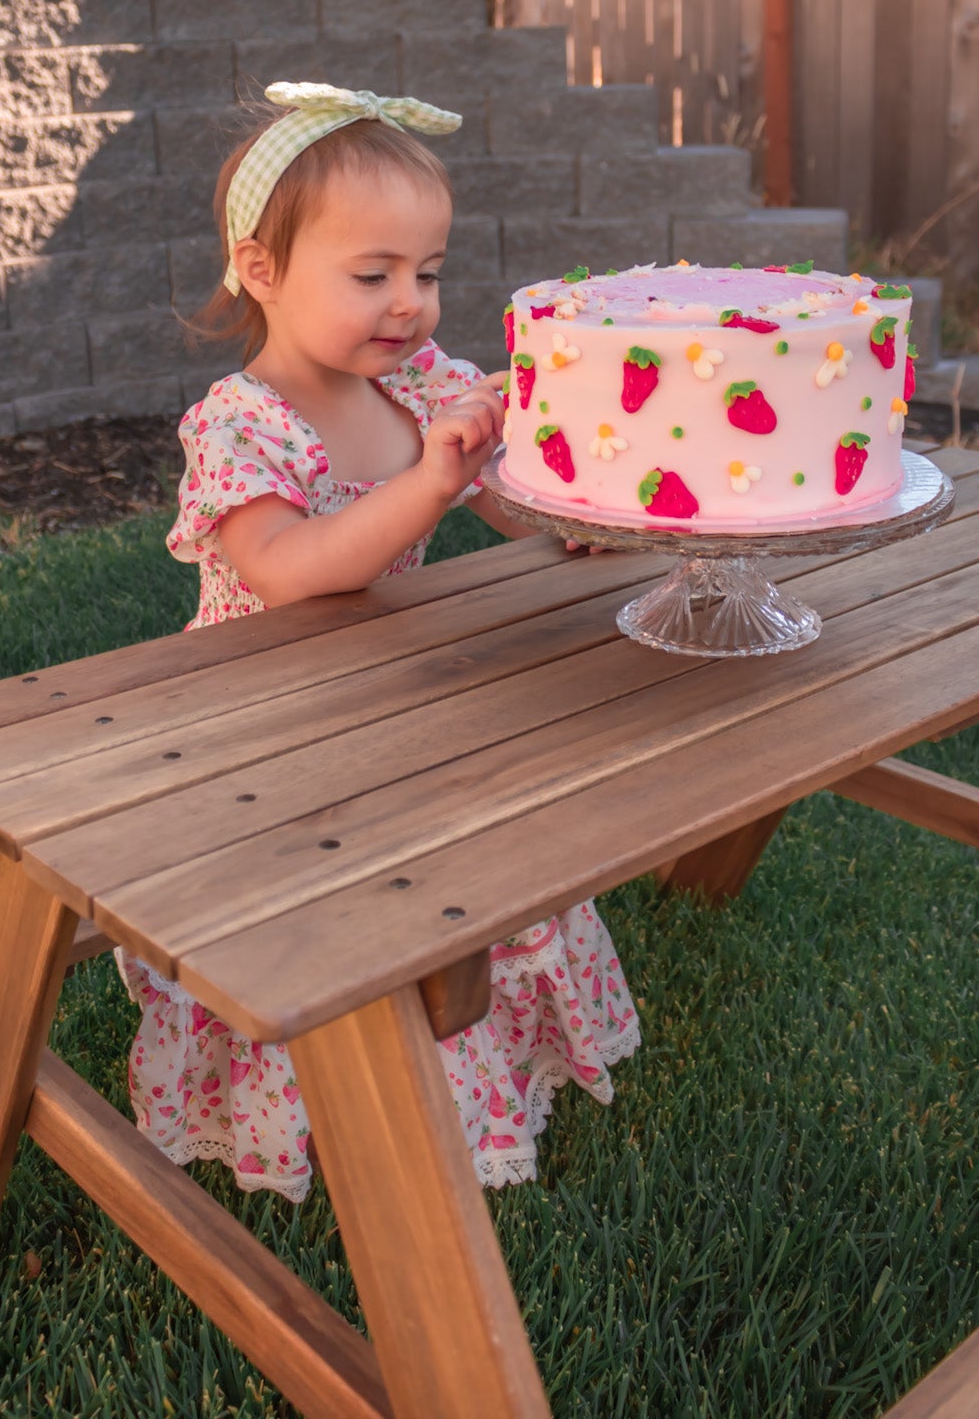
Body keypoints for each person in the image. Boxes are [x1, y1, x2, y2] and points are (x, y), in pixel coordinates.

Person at [119, 81, 639, 1198]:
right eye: (373, 274)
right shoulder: (238, 423)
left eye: (429, 270)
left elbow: (502, 493)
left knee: (493, 839)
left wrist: (556, 510)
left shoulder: (416, 384)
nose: (410, 302)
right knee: (328, 910)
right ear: (261, 270)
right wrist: (428, 480)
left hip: (391, 697)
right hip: (259, 730)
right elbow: (295, 571)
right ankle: (312, 1092)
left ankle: (472, 1055)